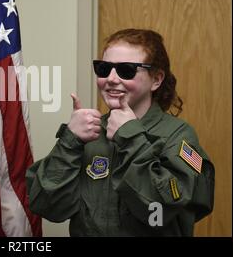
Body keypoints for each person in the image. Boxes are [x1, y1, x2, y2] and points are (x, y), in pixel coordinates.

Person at [26, 29, 215, 236]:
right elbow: (47, 207)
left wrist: (130, 137)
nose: (111, 79)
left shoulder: (178, 136)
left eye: (126, 70)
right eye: (104, 68)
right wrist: (70, 141)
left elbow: (159, 213)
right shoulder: (89, 133)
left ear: (156, 79)